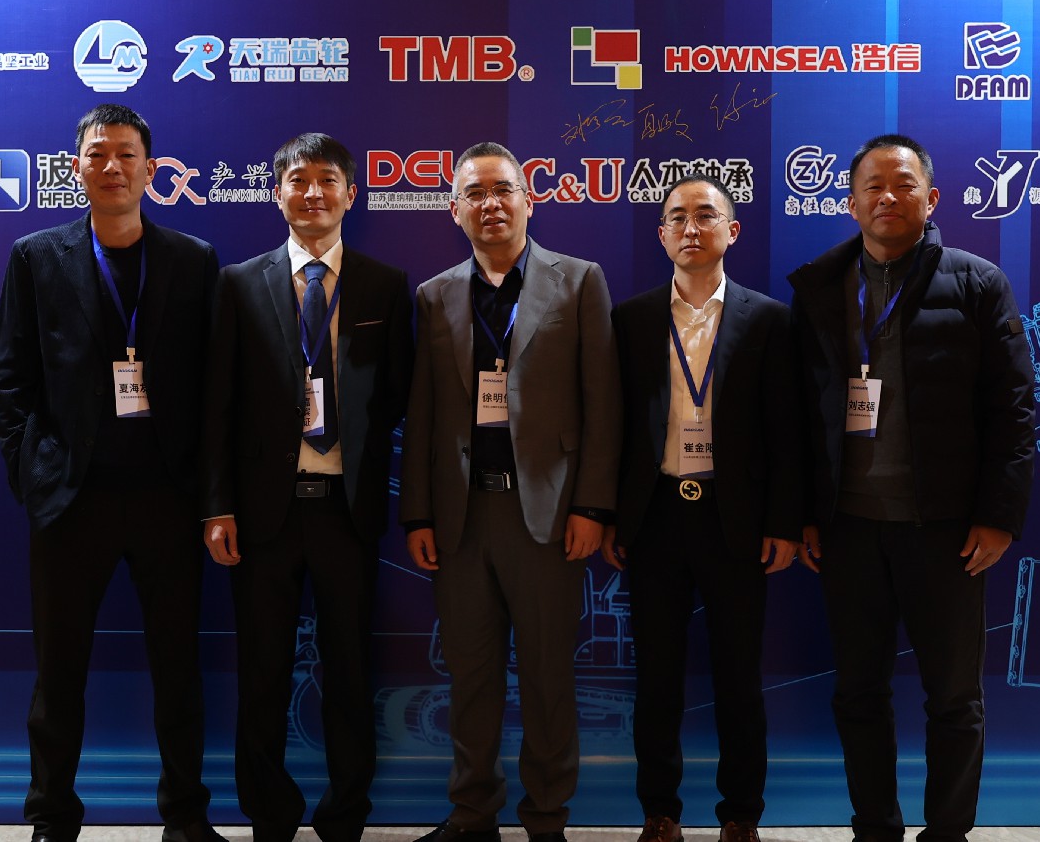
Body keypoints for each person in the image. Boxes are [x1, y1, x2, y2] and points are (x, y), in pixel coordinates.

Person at [786, 134, 1036, 842]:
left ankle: (948, 832)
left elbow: (1014, 409)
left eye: (904, 185)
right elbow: (798, 414)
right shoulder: (818, 287)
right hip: (849, 528)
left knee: (953, 698)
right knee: (858, 694)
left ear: (932, 198)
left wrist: (999, 515)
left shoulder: (978, 282)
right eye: (872, 185)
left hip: (947, 531)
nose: (887, 197)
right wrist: (804, 514)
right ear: (850, 202)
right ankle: (875, 828)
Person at [0, 104, 224, 842]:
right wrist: (33, 476)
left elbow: (213, 387)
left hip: (167, 498)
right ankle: (51, 818)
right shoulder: (35, 256)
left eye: (127, 154)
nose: (112, 167)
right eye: (98, 154)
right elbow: (10, 380)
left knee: (178, 669)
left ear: (151, 170)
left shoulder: (192, 259)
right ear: (77, 169)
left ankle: (186, 817)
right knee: (59, 671)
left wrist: (208, 493)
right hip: (72, 499)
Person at [400, 141, 622, 842]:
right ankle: (473, 813)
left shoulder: (578, 281)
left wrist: (592, 507)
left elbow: (603, 404)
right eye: (475, 193)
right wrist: (418, 514)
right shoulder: (435, 294)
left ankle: (546, 816)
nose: (490, 204)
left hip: (550, 516)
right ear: (454, 210)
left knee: (549, 676)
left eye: (503, 190)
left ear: (530, 200)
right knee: (471, 675)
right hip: (463, 516)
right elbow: (423, 412)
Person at [200, 132, 413, 842]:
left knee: (349, 670)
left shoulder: (384, 284)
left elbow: (398, 395)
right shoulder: (238, 282)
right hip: (264, 513)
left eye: (327, 179)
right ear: (277, 193)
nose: (313, 192)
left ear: (352, 193)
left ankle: (345, 814)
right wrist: (217, 505)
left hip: (347, 512)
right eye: (298, 179)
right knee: (261, 671)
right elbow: (217, 404)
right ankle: (269, 814)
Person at [603, 174, 802, 842]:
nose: (691, 228)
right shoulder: (630, 319)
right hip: (655, 516)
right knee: (656, 678)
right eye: (677, 217)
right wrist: (613, 515)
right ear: (661, 234)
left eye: (706, 215)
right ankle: (659, 812)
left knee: (739, 677)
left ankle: (741, 815)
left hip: (734, 518)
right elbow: (614, 427)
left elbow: (787, 433)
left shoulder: (769, 319)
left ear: (731, 231)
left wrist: (782, 523)